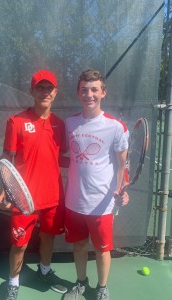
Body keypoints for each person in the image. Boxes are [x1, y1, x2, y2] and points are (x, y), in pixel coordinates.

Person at [0, 70, 68, 300]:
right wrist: (6, 189)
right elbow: (7, 159)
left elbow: (61, 157)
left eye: (49, 88)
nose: (45, 92)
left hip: (53, 196)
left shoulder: (60, 125)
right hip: (22, 196)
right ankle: (13, 282)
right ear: (32, 91)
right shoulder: (16, 122)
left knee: (48, 237)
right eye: (40, 87)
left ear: (56, 93)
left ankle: (44, 272)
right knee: (19, 244)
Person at [63, 69, 129, 300]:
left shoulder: (115, 127)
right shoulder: (69, 124)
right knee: (79, 246)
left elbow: (122, 165)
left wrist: (122, 189)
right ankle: (81, 282)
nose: (89, 94)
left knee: (102, 249)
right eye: (84, 89)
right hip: (73, 201)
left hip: (101, 204)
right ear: (78, 93)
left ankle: (102, 288)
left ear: (103, 92)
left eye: (94, 89)